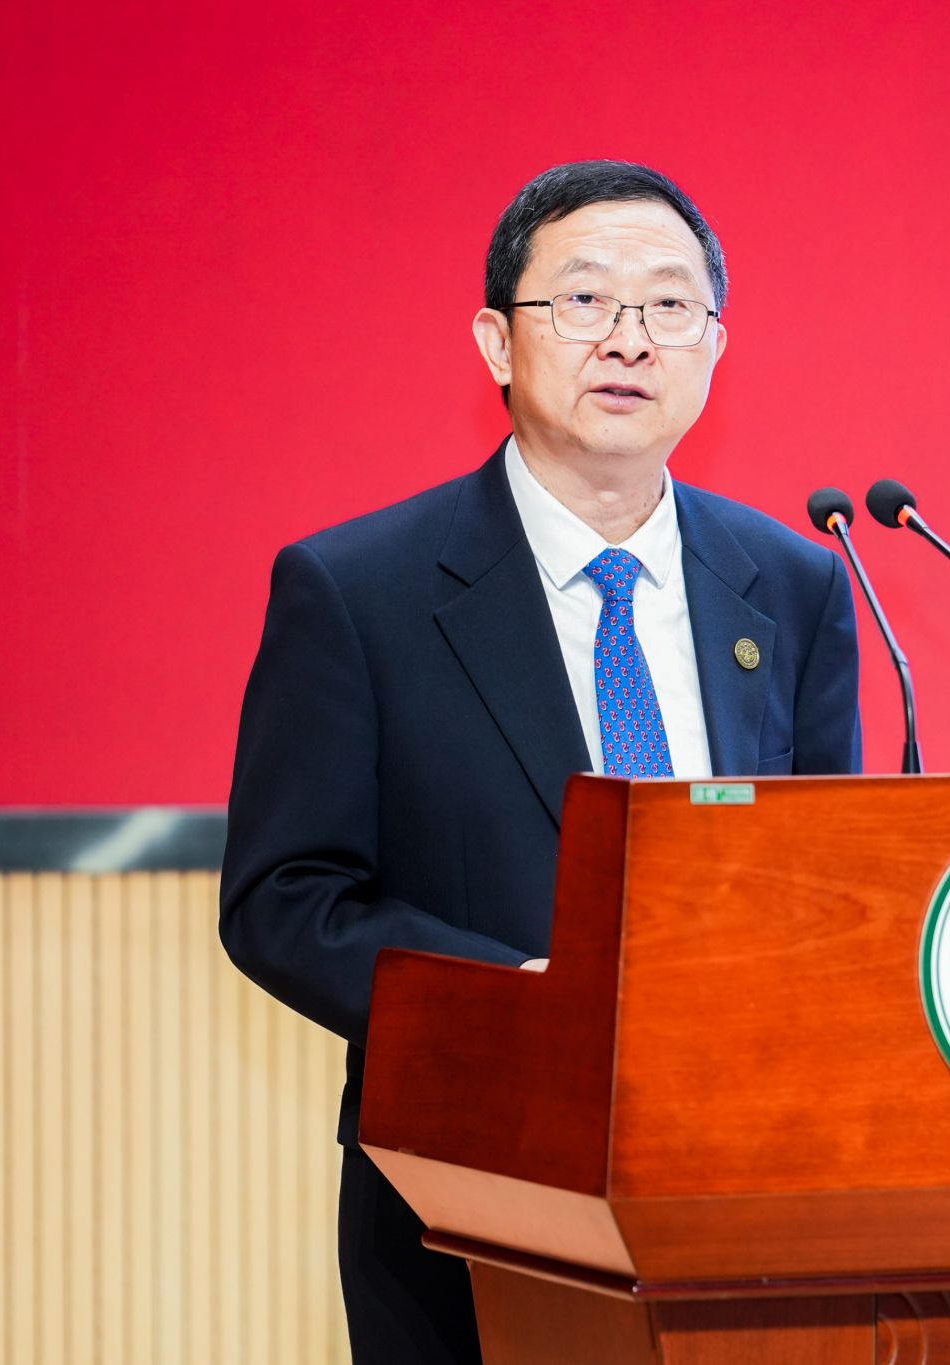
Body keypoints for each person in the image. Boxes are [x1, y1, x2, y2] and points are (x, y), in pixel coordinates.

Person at [219, 160, 864, 1363]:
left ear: (713, 349)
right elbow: (285, 900)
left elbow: (831, 880)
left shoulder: (794, 585)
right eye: (583, 300)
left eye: (668, 305)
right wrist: (519, 1000)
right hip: (467, 1191)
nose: (629, 338)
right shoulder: (357, 591)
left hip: (750, 1185)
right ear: (495, 343)